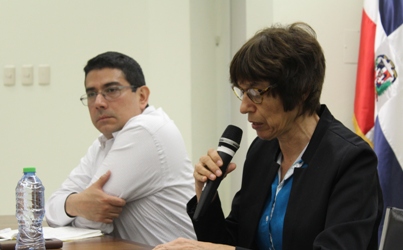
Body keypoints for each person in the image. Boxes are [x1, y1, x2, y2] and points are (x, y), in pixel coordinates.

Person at [153, 22, 383, 250]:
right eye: (242, 92)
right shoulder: (262, 150)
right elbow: (236, 241)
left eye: (255, 93)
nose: (244, 107)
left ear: (300, 91)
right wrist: (208, 199)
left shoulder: (352, 160)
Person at [45, 51, 196, 246]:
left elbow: (94, 220)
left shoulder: (146, 130)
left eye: (112, 90)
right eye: (92, 93)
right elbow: (51, 209)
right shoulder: (104, 142)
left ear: (142, 96)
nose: (99, 102)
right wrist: (78, 204)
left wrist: (75, 208)